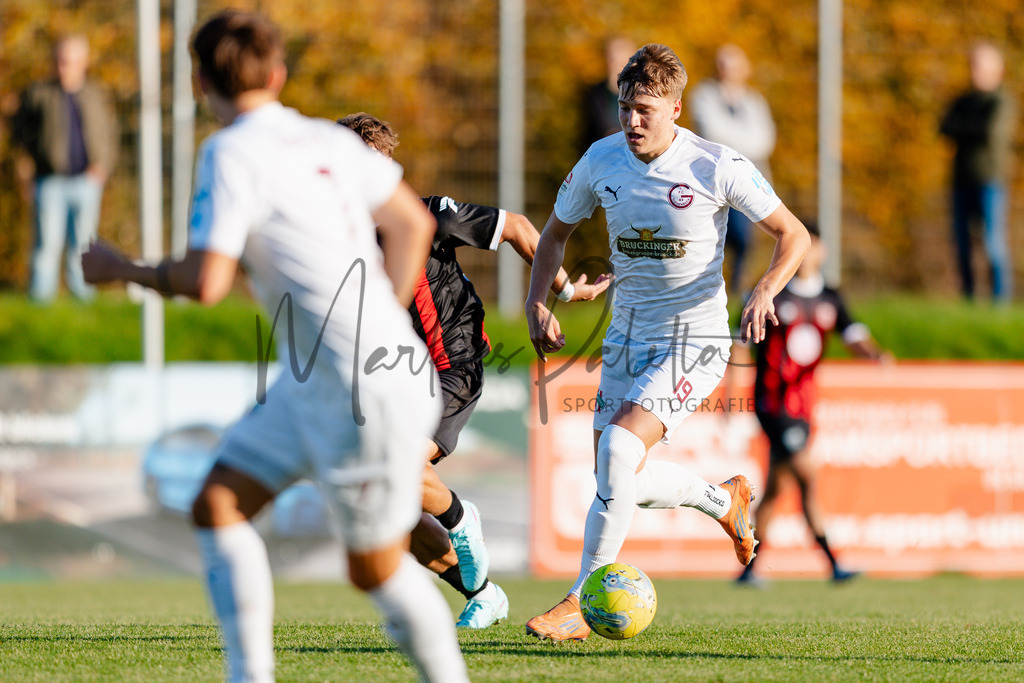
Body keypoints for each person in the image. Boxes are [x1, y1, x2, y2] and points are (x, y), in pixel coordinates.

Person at [81, 11, 468, 682]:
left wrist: (125, 269)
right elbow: (412, 222)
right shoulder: (329, 140)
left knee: (373, 568)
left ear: (200, 78)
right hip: (323, 380)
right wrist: (380, 313)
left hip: (359, 388)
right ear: (279, 74)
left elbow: (205, 281)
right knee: (219, 501)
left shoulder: (230, 151)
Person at [524, 43, 810, 642]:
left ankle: (581, 600)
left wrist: (763, 291)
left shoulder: (716, 165)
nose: (632, 121)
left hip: (694, 337)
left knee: (619, 452)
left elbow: (793, 235)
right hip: (626, 331)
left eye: (646, 109)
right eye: (626, 106)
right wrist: (538, 300)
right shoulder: (602, 158)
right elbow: (553, 234)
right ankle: (720, 499)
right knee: (616, 473)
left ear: (676, 109)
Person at [338, 112, 612, 629]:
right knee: (380, 502)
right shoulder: (340, 236)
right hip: (393, 377)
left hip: (451, 366)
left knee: (396, 467)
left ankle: (462, 520)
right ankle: (483, 592)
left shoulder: (428, 215)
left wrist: (565, 292)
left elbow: (518, 228)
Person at [737, 222, 889, 586]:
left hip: (804, 408)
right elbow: (739, 343)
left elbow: (855, 334)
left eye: (813, 245)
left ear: (821, 251)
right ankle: (834, 562)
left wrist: (875, 355)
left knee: (775, 490)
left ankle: (749, 568)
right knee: (808, 473)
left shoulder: (831, 297)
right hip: (773, 404)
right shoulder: (772, 293)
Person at [10, 34, 118, 302]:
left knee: (82, 244)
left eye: (69, 61)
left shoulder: (95, 94)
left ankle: (82, 299)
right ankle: (41, 300)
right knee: (46, 243)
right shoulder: (38, 93)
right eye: (59, 61)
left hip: (86, 181)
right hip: (49, 181)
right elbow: (19, 133)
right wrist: (30, 166)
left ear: (83, 62)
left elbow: (110, 133)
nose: (63, 67)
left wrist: (103, 166)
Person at [688, 44, 776, 296]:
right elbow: (712, 134)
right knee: (721, 236)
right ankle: (716, 284)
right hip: (712, 179)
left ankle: (736, 286)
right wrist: (745, 142)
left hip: (750, 179)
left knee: (745, 239)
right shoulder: (704, 95)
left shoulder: (754, 101)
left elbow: (764, 141)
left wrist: (734, 140)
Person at [940, 41, 1017, 303]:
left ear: (997, 69)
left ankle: (1000, 301)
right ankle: (969, 298)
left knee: (993, 242)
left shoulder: (1002, 101)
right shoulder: (963, 101)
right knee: (962, 243)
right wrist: (969, 127)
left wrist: (964, 128)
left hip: (990, 180)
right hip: (961, 180)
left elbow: (988, 131)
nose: (974, 71)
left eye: (979, 66)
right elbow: (945, 127)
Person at [580, 36, 637, 154]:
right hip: (603, 156)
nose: (615, 65)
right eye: (611, 59)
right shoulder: (595, 94)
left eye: (621, 61)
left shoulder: (645, 93)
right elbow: (589, 132)